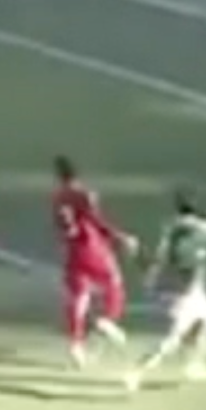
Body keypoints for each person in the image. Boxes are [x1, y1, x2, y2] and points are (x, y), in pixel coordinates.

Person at [125, 190, 206, 392]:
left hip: (186, 291)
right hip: (178, 294)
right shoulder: (191, 235)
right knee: (171, 340)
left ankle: (194, 365)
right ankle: (136, 371)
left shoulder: (174, 230)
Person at [52, 156, 135, 369]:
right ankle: (108, 319)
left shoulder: (57, 197)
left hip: (73, 251)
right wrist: (120, 237)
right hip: (93, 248)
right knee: (114, 283)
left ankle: (76, 345)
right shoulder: (85, 195)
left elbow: (62, 224)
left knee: (79, 298)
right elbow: (96, 221)